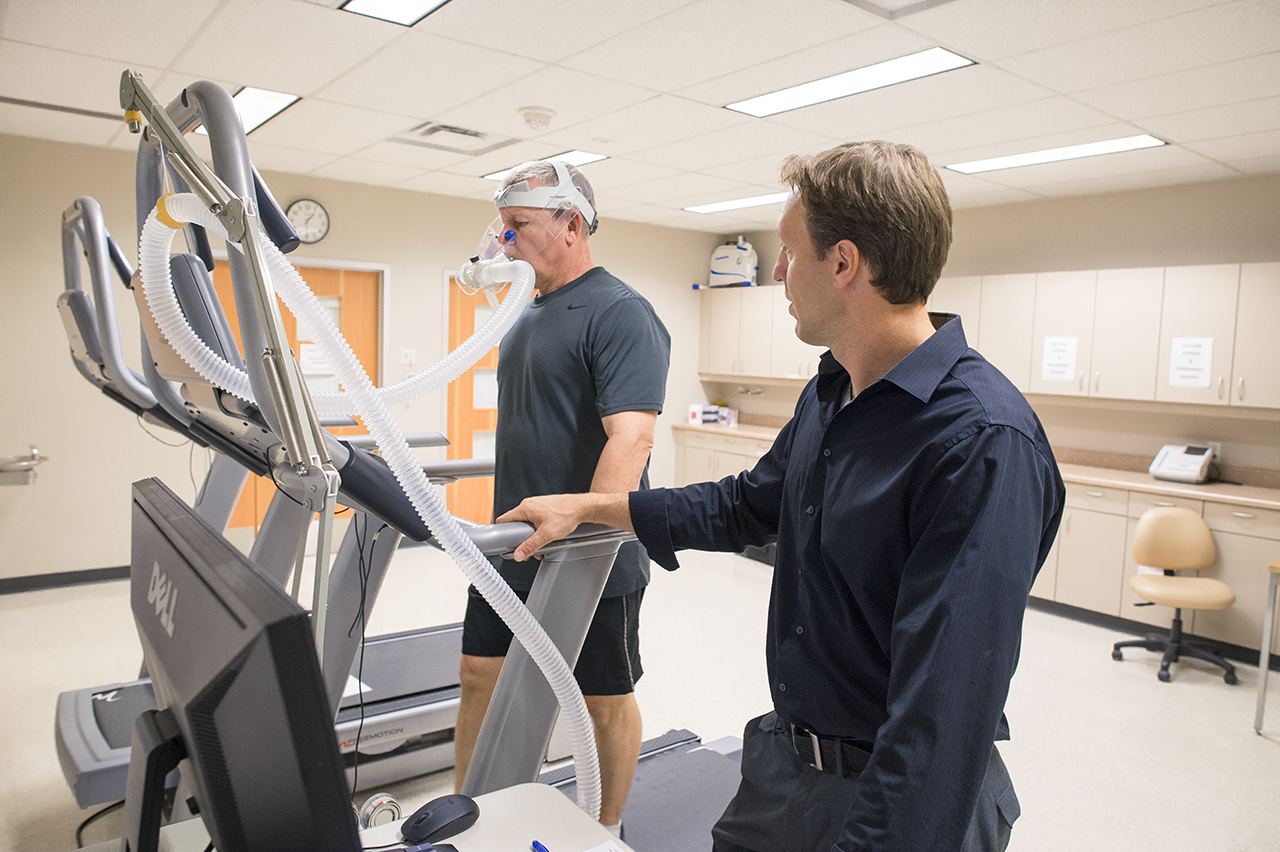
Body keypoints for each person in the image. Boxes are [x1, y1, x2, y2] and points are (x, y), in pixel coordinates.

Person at [496, 141, 1065, 852]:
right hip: (789, 771)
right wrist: (593, 508)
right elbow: (746, 505)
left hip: (893, 803)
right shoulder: (833, 390)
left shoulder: (982, 442)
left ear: (844, 263)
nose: (776, 271)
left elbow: (939, 723)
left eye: (789, 252)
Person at [453, 159, 671, 836]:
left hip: (589, 555)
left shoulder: (621, 312)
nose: (504, 242)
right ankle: (468, 817)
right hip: (510, 542)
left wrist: (587, 539)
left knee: (602, 702)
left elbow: (631, 441)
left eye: (518, 226)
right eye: (503, 228)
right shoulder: (522, 312)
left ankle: (604, 828)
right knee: (477, 675)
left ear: (571, 224)